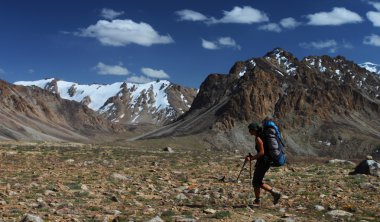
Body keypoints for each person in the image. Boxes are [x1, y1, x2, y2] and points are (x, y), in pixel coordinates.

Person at [247, 122, 282, 205]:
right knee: (257, 181)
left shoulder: (258, 138)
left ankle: (272, 194)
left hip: (263, 162)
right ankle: (259, 199)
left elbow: (262, 152)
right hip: (264, 162)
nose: (249, 131)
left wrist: (251, 158)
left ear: (254, 130)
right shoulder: (261, 136)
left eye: (250, 130)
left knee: (256, 182)